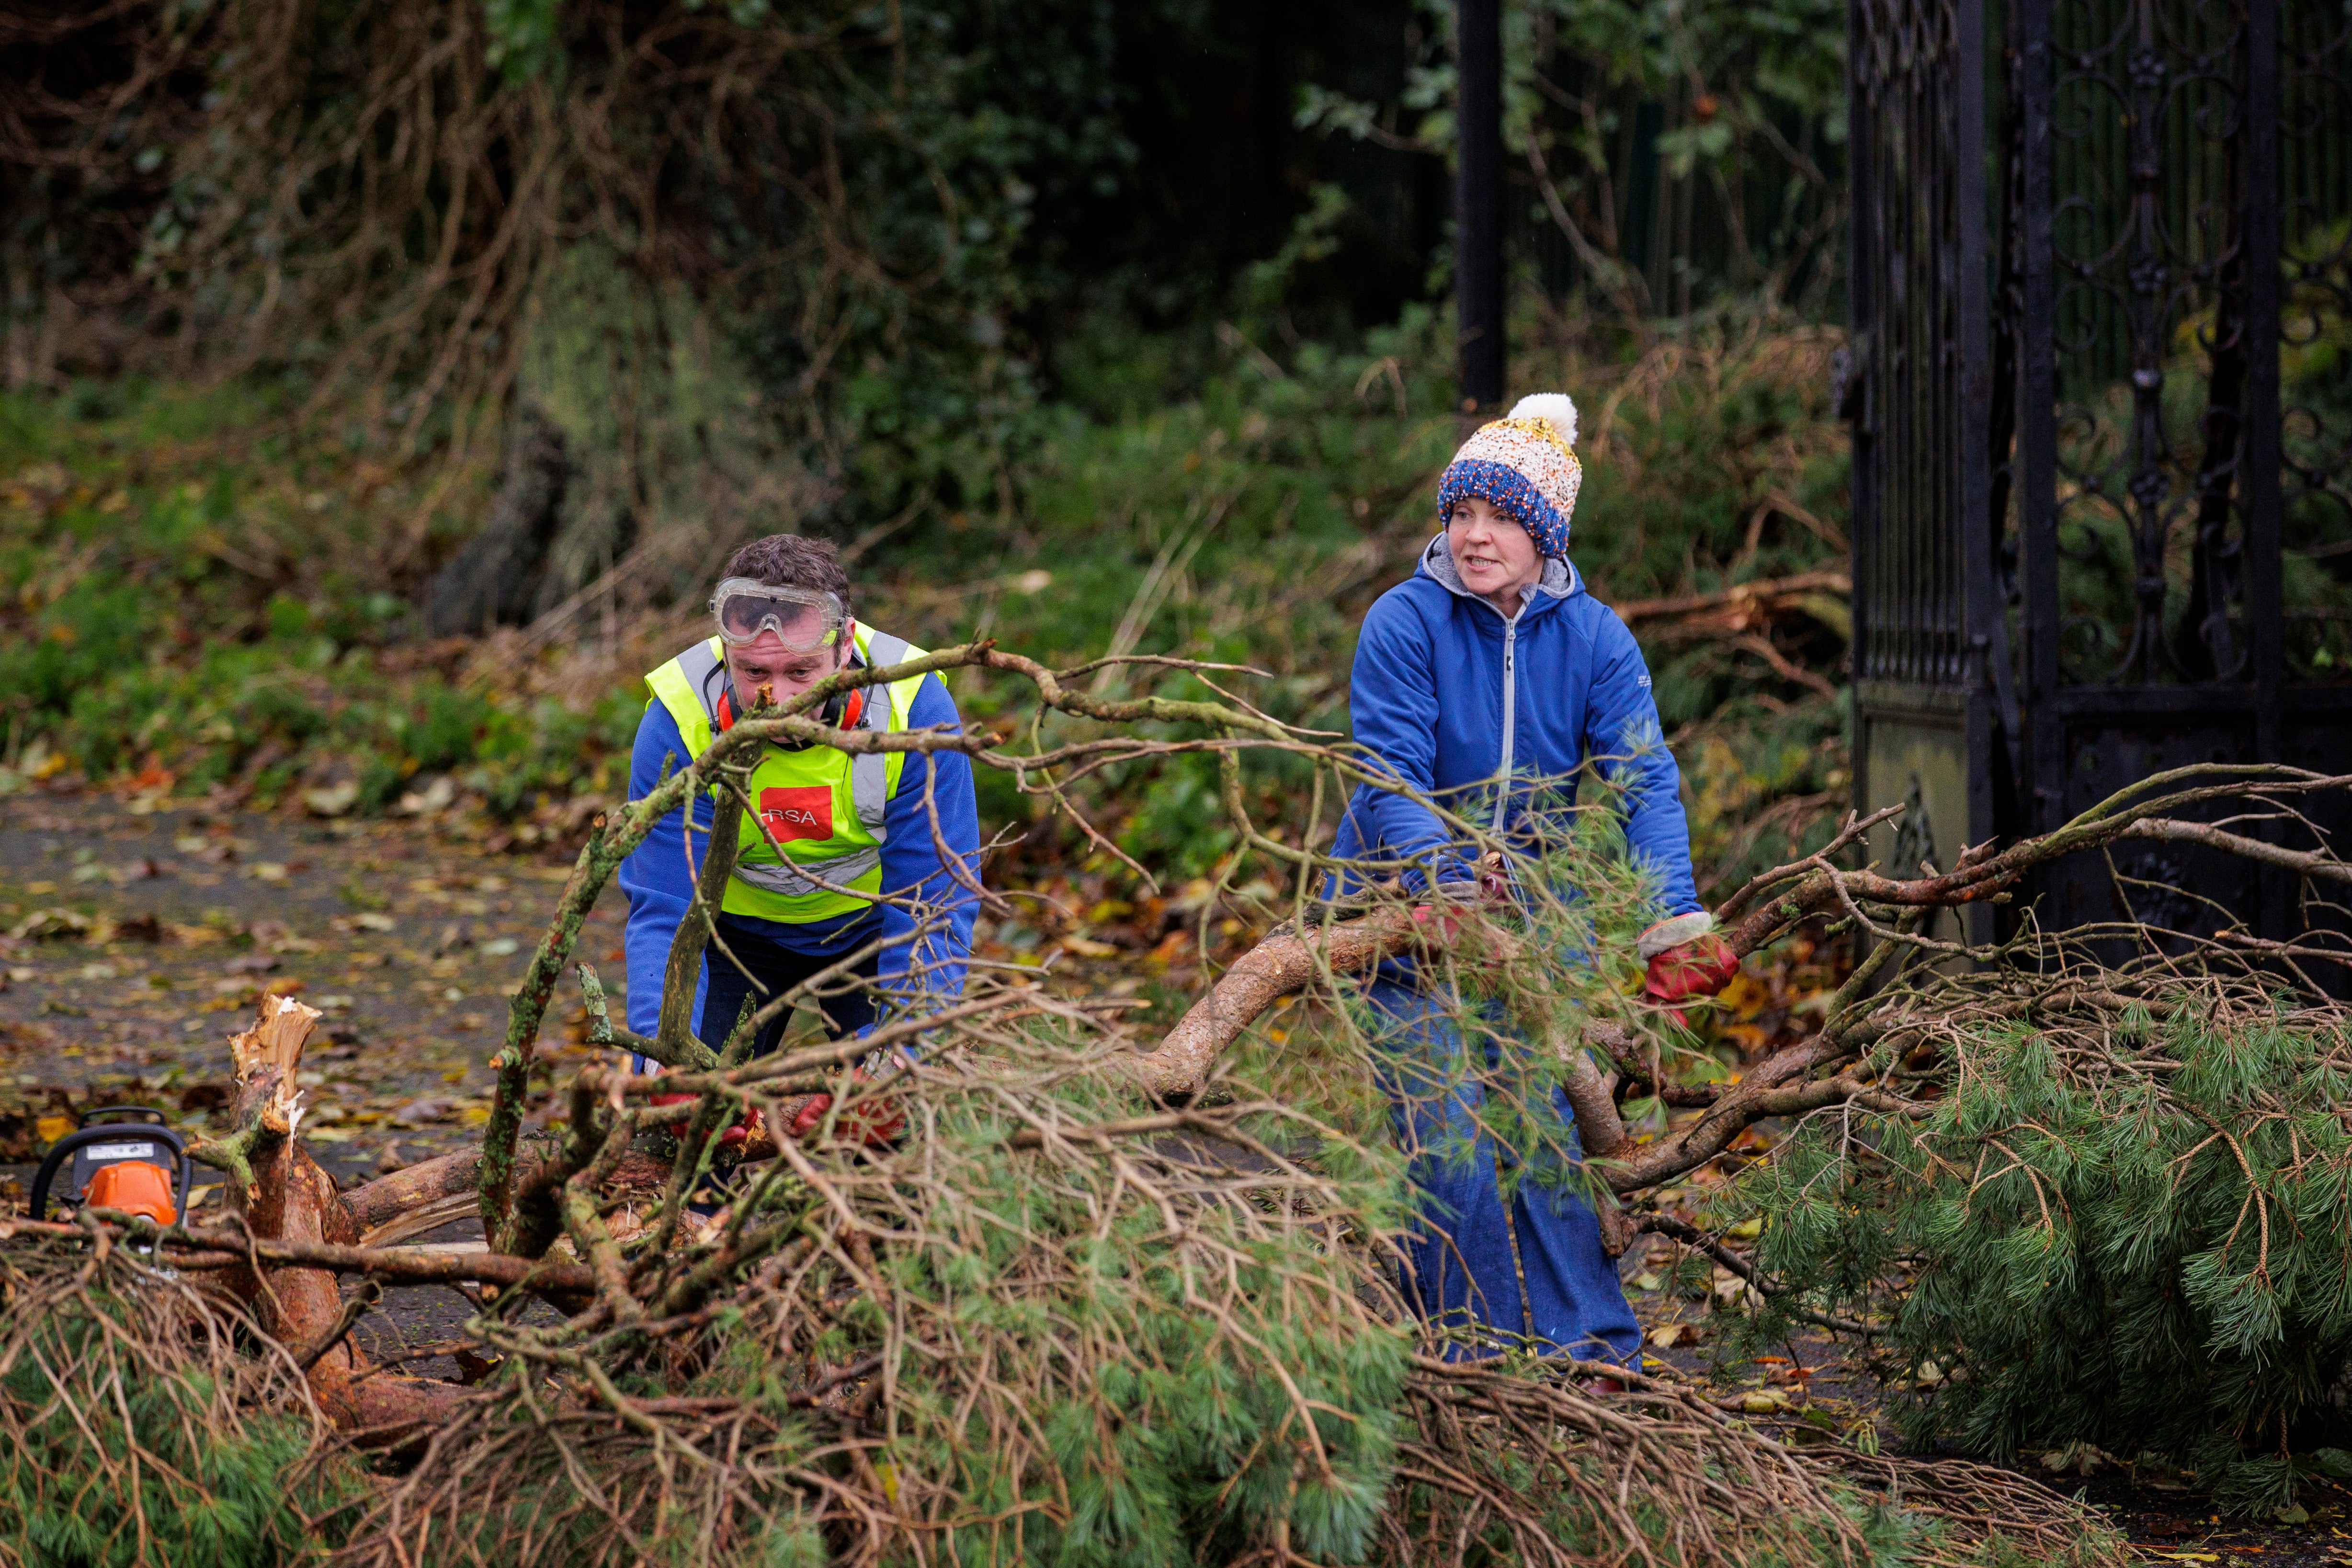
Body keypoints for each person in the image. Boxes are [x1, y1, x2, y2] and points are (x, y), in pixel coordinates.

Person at [1328, 393, 1739, 1362]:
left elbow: (1642, 778)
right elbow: (1388, 773)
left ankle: (1590, 1350)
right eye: (1460, 513)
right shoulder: (1404, 621)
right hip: (1398, 912)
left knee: (1541, 1127)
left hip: (1527, 914)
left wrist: (1673, 915)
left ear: (1545, 533)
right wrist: (1441, 882)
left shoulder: (1593, 637)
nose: (1474, 535)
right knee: (1452, 1140)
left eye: (1501, 516)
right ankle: (1467, 1360)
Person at [619, 534, 979, 1097]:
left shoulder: (917, 707)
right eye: (755, 673)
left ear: (846, 646)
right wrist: (661, 1049)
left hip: (871, 933)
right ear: (725, 652)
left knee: (890, 1126)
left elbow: (935, 901)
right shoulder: (675, 719)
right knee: (687, 1134)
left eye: (801, 674)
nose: (778, 699)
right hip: (731, 939)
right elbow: (663, 907)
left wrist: (904, 1051)